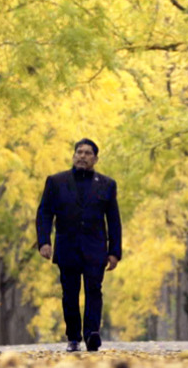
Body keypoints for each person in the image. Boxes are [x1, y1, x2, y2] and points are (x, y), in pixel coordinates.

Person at [35, 138, 122, 352]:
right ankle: (73, 336)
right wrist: (44, 241)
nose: (83, 156)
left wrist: (114, 253)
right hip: (67, 247)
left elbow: (113, 220)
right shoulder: (56, 182)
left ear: (95, 159)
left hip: (95, 248)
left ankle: (92, 333)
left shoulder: (107, 185)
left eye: (88, 153)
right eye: (79, 152)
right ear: (74, 155)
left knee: (94, 290)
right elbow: (45, 213)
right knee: (70, 294)